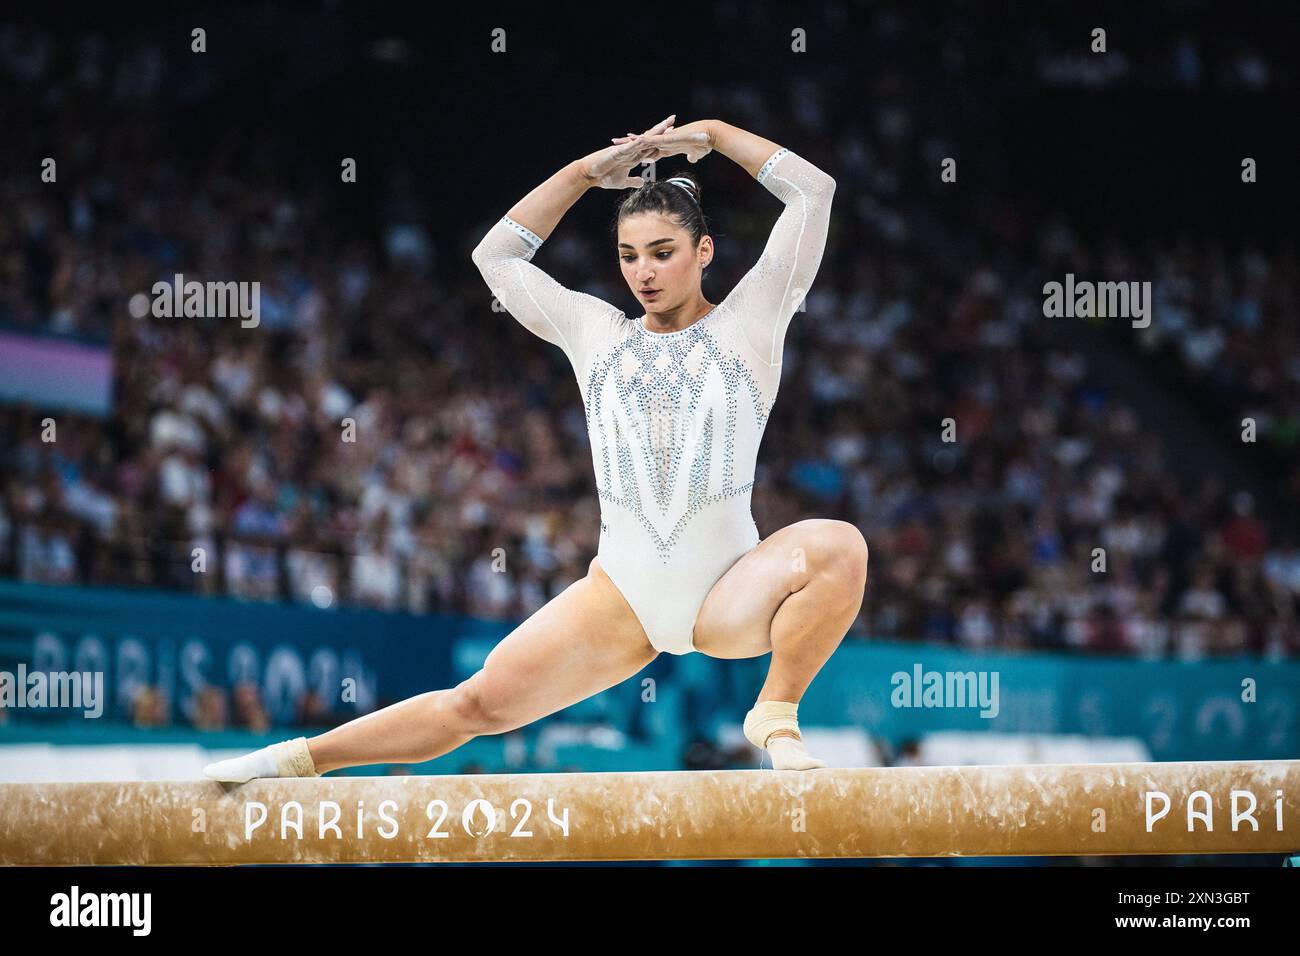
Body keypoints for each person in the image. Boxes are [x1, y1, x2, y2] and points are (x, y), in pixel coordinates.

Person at [204, 114, 866, 783]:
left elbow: (813, 193)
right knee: (475, 705)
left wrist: (717, 133)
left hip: (728, 594)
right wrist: (585, 174)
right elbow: (496, 256)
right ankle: (291, 760)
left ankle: (775, 714)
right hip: (621, 599)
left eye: (663, 252)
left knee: (840, 548)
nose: (644, 272)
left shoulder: (751, 322)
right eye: (628, 255)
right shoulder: (596, 331)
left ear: (705, 252)